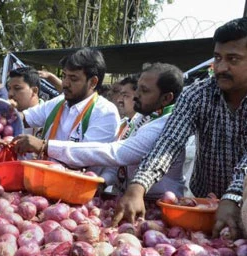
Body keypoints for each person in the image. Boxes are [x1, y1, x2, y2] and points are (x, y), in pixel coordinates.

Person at [113, 17, 247, 240]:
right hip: (203, 203)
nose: (221, 67)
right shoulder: (197, 94)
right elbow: (170, 142)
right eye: (217, 58)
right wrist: (138, 185)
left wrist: (233, 196)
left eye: (233, 59)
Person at [44, 63, 185, 198]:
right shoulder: (141, 117)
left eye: (145, 90)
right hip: (128, 199)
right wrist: (103, 181)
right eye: (137, 89)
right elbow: (118, 165)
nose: (136, 95)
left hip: (158, 207)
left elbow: (115, 153)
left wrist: (47, 146)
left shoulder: (165, 126)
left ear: (166, 98)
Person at [12, 48, 120, 174]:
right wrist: (0, 115)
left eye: (73, 78)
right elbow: (25, 118)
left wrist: (43, 146)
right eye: (64, 76)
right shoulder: (59, 102)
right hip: (44, 180)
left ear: (93, 82)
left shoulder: (105, 112)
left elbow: (85, 155)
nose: (65, 84)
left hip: (80, 189)